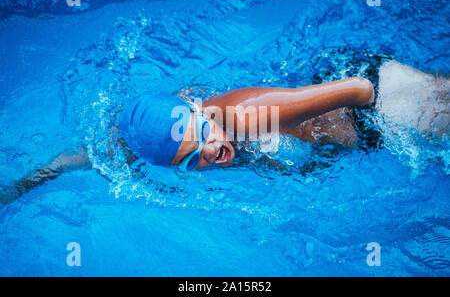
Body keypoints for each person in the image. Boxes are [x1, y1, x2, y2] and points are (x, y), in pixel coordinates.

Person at [1, 60, 448, 204]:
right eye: (192, 158)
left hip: (382, 110)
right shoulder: (166, 135)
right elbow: (102, 151)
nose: (214, 150)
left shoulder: (245, 117)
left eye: (205, 132)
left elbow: (360, 88)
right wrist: (26, 184)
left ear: (201, 110)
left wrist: (403, 119)